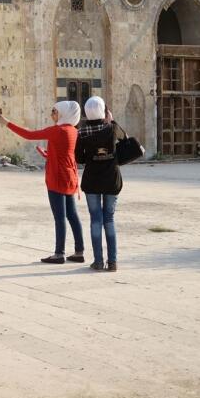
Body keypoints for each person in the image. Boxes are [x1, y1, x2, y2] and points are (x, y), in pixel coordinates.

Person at [0, 101, 85, 264]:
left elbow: (29, 135)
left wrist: (7, 123)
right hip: (69, 176)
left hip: (57, 178)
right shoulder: (73, 131)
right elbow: (63, 154)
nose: (52, 114)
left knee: (60, 217)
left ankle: (59, 254)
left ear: (64, 113)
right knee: (72, 215)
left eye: (55, 111)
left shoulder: (57, 131)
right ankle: (79, 251)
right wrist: (48, 154)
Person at [76, 96, 124, 272]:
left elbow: (79, 158)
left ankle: (98, 261)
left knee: (96, 220)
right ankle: (112, 262)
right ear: (104, 111)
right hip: (111, 180)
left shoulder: (82, 132)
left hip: (92, 181)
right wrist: (111, 120)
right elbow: (125, 138)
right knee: (109, 220)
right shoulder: (111, 129)